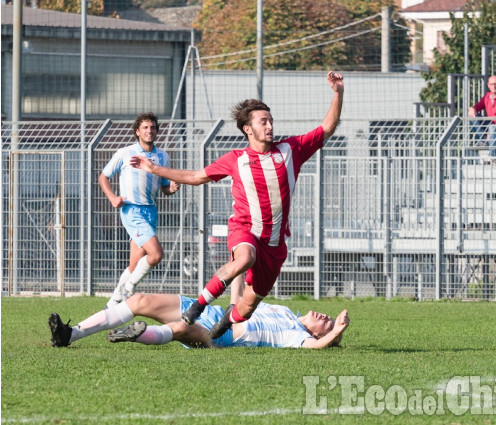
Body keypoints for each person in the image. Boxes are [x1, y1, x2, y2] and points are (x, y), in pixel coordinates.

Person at [129, 71, 344, 339]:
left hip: (275, 245)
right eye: (263, 121)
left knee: (248, 306)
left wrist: (337, 93)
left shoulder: (291, 149)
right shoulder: (236, 159)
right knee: (245, 257)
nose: (270, 126)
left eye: (271, 120)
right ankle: (199, 305)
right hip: (245, 230)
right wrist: (153, 168)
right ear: (248, 129)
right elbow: (196, 177)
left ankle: (227, 322)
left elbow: (327, 128)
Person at [48, 277, 350, 349]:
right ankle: (69, 334)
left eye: (325, 323)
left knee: (181, 330)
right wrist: (239, 267)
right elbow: (241, 301)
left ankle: (137, 335)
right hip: (208, 311)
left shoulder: (296, 335)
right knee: (139, 299)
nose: (324, 316)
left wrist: (336, 333)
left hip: (223, 335)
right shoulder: (284, 310)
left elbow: (314, 347)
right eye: (327, 317)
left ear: (317, 332)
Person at [99, 112, 181, 309]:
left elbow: (164, 187)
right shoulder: (125, 153)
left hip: (151, 211)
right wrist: (112, 198)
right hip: (132, 210)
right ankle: (128, 290)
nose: (149, 131)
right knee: (156, 255)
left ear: (156, 131)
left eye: (152, 127)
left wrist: (171, 188)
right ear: (137, 131)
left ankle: (113, 304)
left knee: (134, 265)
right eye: (145, 127)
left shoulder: (162, 156)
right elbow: (103, 176)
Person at [468, 75, 496, 149]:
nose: (494, 86)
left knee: (492, 127)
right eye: (491, 84)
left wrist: (491, 131)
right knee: (472, 116)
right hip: (490, 123)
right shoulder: (487, 96)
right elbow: (477, 106)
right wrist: (472, 108)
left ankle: (484, 141)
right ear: (488, 85)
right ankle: (484, 140)